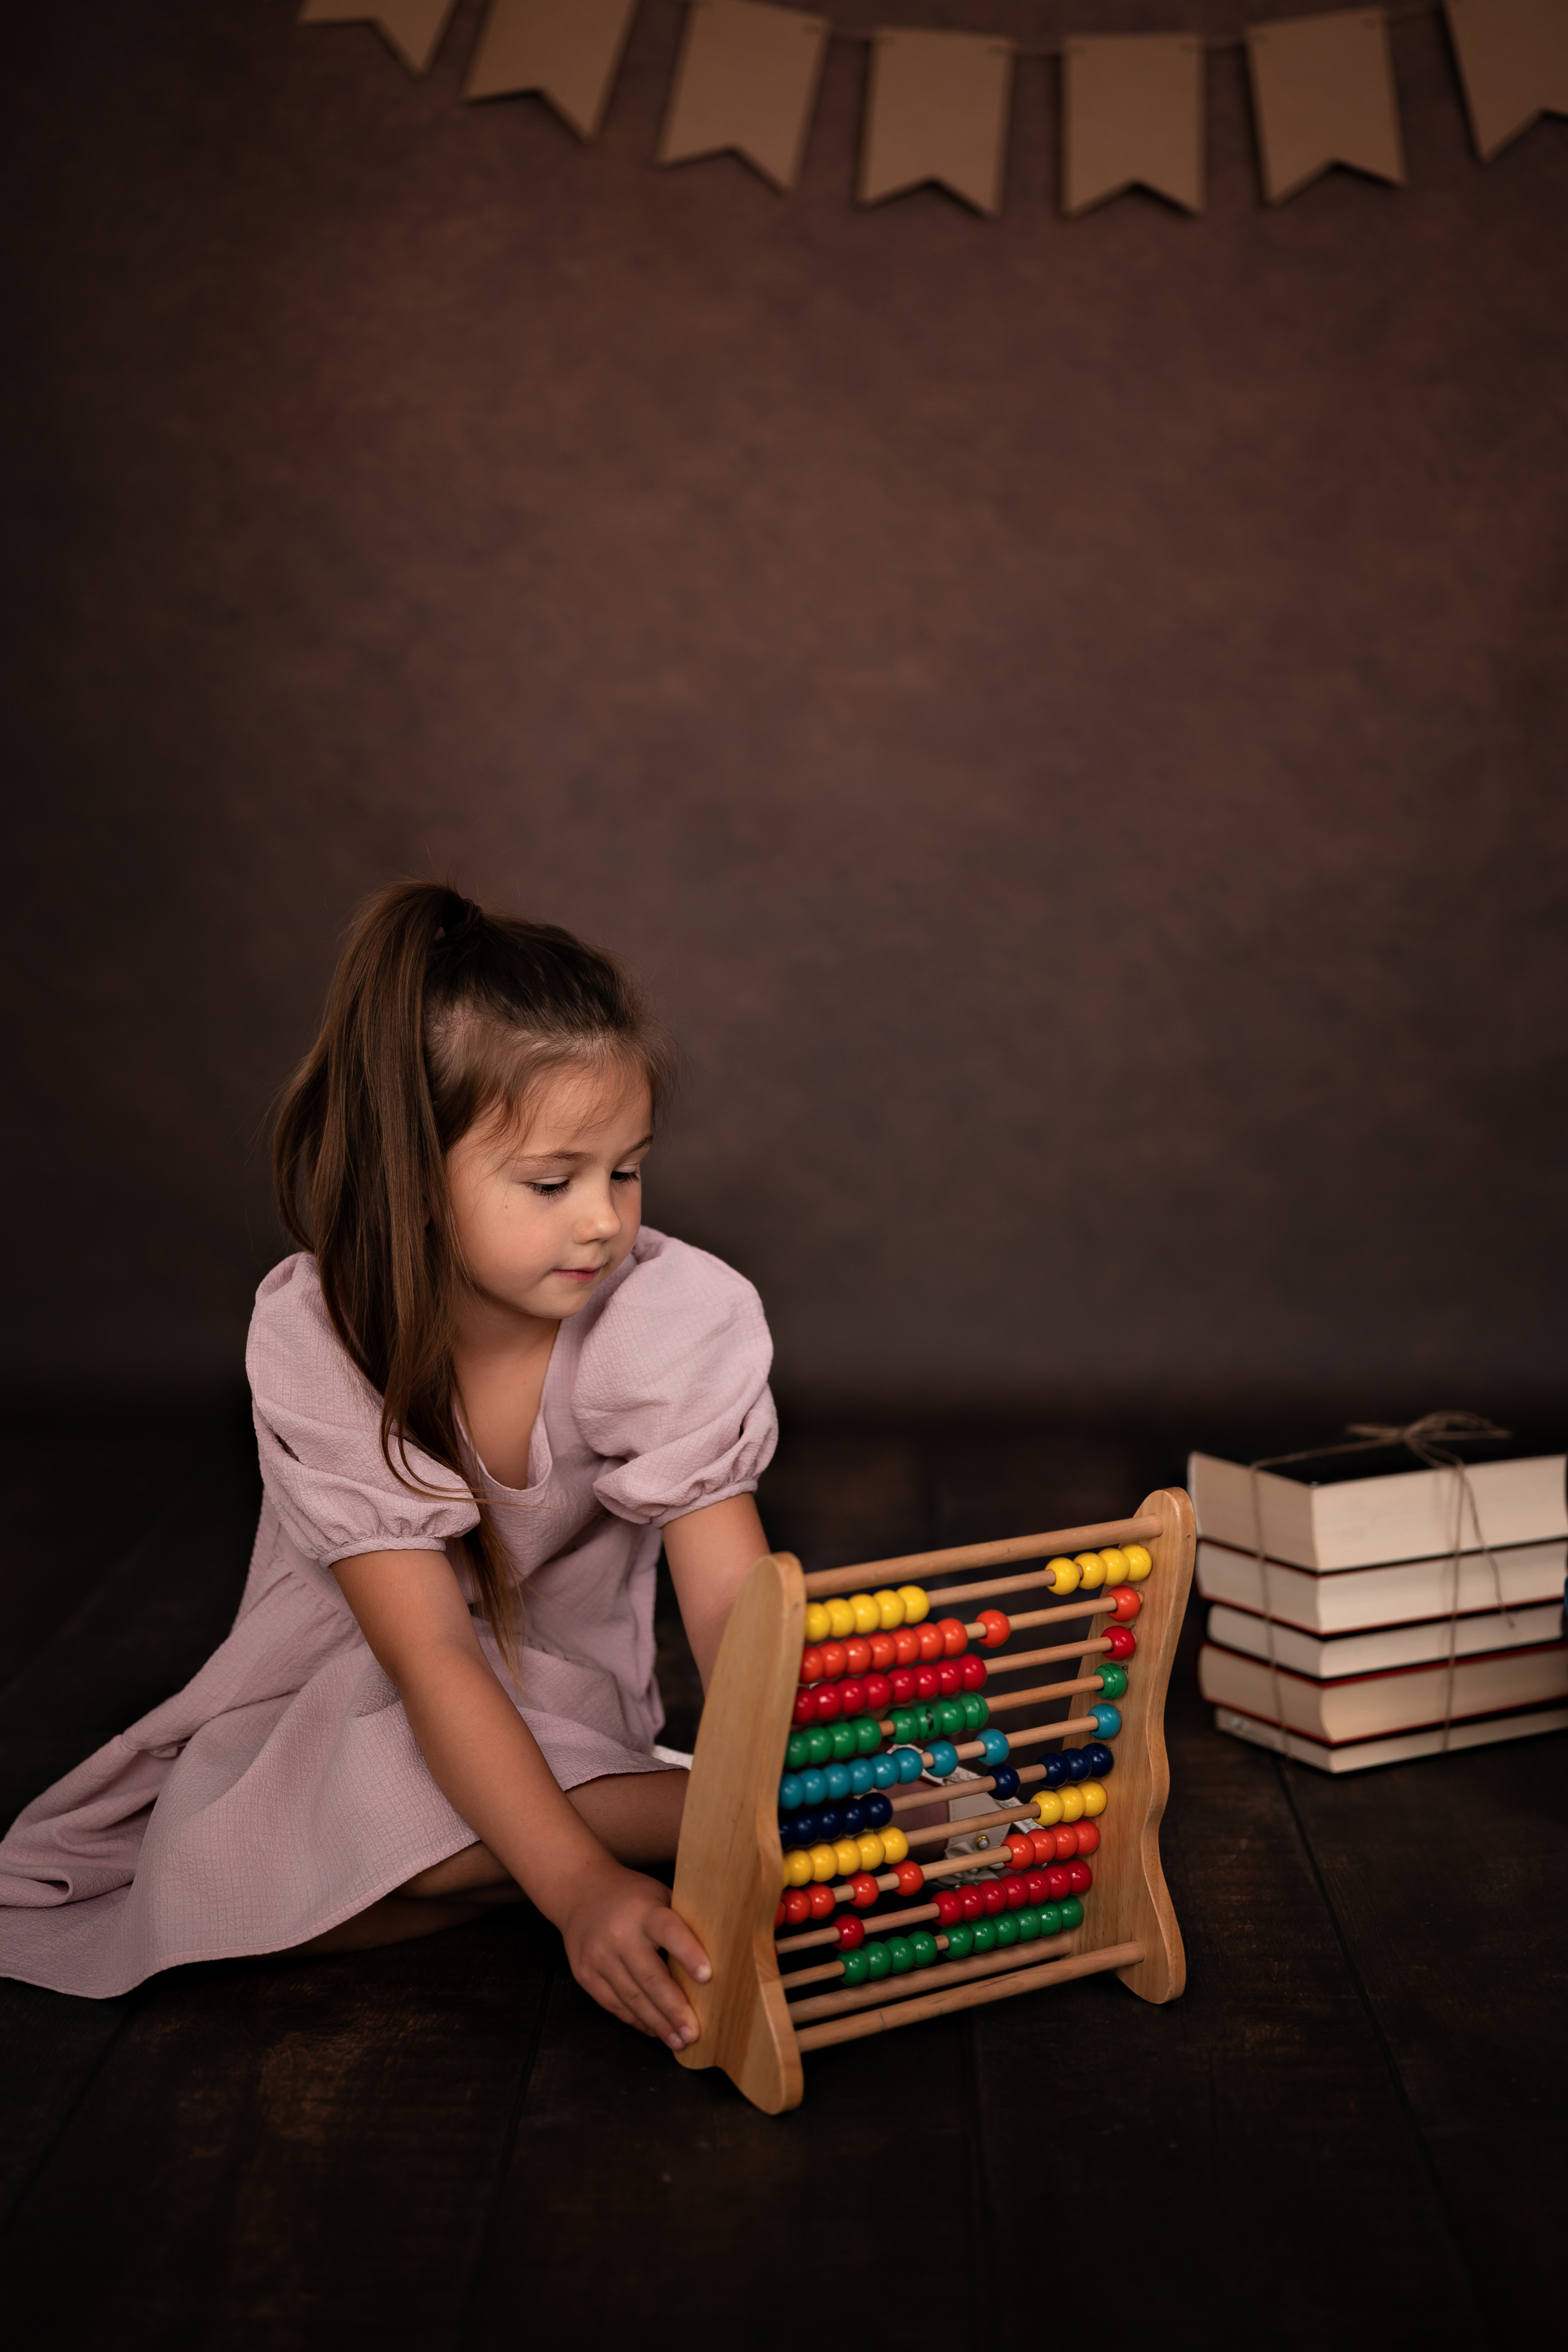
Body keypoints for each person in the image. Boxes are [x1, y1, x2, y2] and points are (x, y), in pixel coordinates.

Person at [0, 884, 778, 2054]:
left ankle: (749, 1812)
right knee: (236, 1873)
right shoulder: (325, 1334)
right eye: (551, 1180)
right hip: (366, 1692)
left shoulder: (665, 1315)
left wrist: (785, 1748)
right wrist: (571, 1888)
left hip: (554, 1697)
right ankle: (673, 1826)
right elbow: (426, 1657)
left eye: (627, 1171)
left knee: (384, 1849)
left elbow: (729, 1601)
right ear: (415, 1175)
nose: (604, 1223)